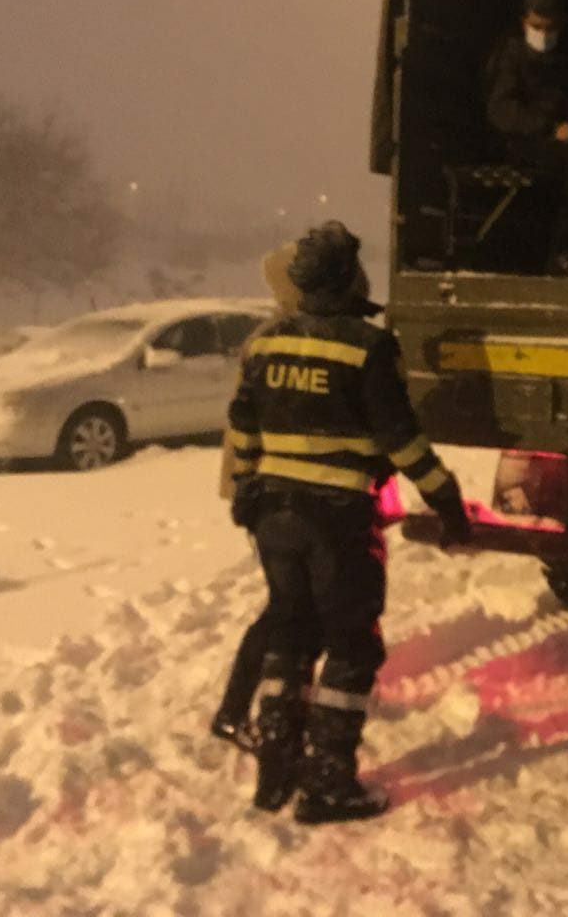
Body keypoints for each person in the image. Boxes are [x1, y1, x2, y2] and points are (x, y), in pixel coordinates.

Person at [226, 221, 472, 823]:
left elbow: (241, 428)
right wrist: (446, 498)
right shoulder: (366, 346)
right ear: (343, 279)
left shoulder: (264, 342)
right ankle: (329, 781)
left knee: (290, 630)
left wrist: (247, 490)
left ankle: (276, 763)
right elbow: (400, 438)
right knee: (352, 644)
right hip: (336, 519)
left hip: (273, 515)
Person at [211, 240, 306, 752]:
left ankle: (276, 702)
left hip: (270, 494)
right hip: (276, 495)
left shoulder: (275, 334)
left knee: (294, 604)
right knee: (287, 607)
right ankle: (236, 710)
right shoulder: (278, 338)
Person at [483, 0, 568, 274]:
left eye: (548, 27)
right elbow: (501, 110)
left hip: (551, 140)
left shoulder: (558, 56)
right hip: (521, 141)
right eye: (535, 26)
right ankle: (560, 254)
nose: (541, 34)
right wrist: (550, 128)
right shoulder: (511, 56)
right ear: (524, 22)